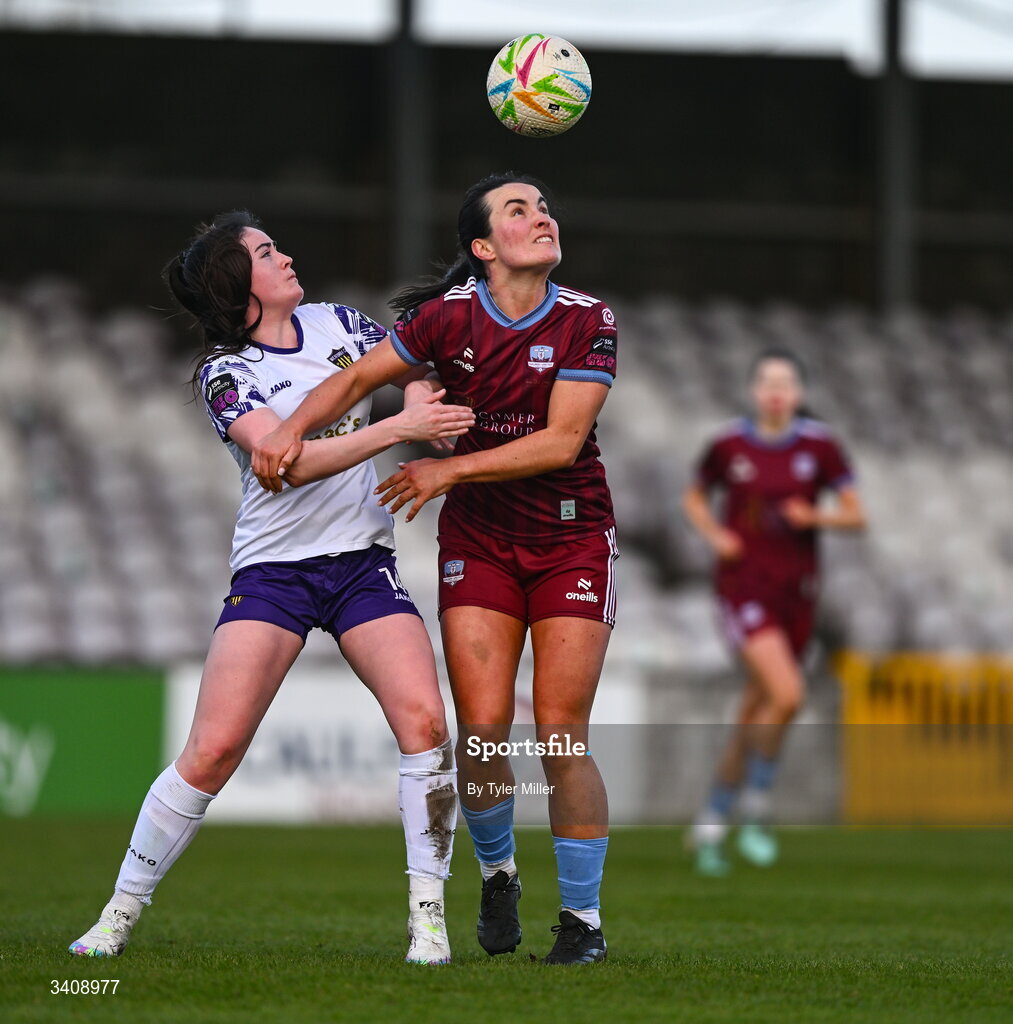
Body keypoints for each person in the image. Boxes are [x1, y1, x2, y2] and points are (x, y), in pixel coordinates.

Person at [68, 211, 475, 964]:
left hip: (361, 563)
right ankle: (117, 916)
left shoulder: (339, 325)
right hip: (274, 575)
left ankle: (428, 924)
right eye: (265, 251)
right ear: (237, 283)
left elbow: (411, 370)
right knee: (213, 751)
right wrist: (394, 429)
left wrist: (428, 403)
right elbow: (280, 463)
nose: (285, 255)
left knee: (425, 725)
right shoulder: (228, 374)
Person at [251, 174, 618, 964]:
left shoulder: (589, 319)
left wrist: (444, 471)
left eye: (545, 205)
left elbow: (560, 444)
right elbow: (353, 380)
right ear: (484, 248)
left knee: (560, 735)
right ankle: (497, 875)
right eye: (518, 209)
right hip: (481, 544)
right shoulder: (444, 319)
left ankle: (581, 924)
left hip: (570, 539)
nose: (541, 215)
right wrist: (289, 434)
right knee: (482, 737)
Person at [682, 348, 867, 876]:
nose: (775, 390)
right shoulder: (728, 443)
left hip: (797, 592)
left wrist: (817, 515)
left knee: (755, 707)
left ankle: (713, 818)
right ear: (753, 391)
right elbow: (694, 497)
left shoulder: (820, 446)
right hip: (743, 588)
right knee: (788, 692)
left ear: (800, 393)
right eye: (766, 381)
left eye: (785, 381)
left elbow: (856, 513)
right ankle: (758, 805)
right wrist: (716, 535)